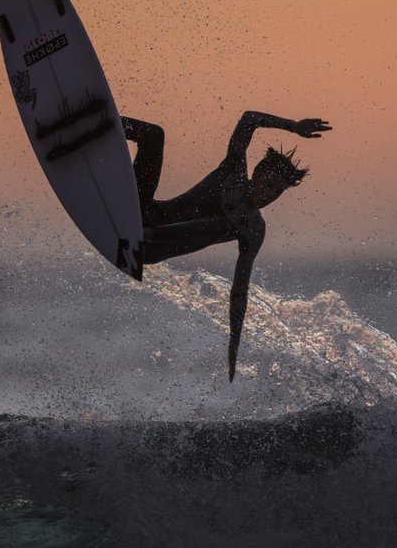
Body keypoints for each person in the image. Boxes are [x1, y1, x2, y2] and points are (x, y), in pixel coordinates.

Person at [122, 111, 332, 381]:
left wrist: (234, 340)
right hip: (143, 213)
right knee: (154, 135)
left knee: (224, 226)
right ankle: (97, 123)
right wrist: (292, 125)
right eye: (268, 184)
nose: (269, 195)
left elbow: (240, 289)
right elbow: (249, 119)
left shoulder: (253, 229)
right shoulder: (232, 170)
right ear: (256, 173)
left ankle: (144, 234)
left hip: (145, 249)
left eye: (277, 192)